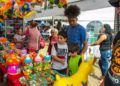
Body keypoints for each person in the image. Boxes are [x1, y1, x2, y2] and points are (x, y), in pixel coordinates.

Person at [103, 0, 120, 86]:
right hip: (110, 79)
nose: (118, 11)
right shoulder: (119, 34)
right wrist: (105, 79)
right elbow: (114, 61)